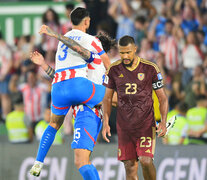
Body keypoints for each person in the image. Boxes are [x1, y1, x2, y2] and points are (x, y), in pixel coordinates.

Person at [30, 25, 115, 180]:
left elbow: (77, 49)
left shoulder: (93, 58)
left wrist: (55, 35)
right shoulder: (89, 66)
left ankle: (150, 122)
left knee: (81, 161)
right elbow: (62, 79)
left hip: (89, 112)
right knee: (81, 161)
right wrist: (43, 65)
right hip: (84, 110)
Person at [102, 35, 168, 180]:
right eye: (122, 52)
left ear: (135, 49)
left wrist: (163, 121)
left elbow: (162, 98)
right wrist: (105, 122)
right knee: (129, 167)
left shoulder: (150, 68)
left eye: (128, 52)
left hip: (145, 124)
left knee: (145, 160)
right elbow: (107, 98)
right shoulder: (113, 70)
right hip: (124, 126)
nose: (125, 56)